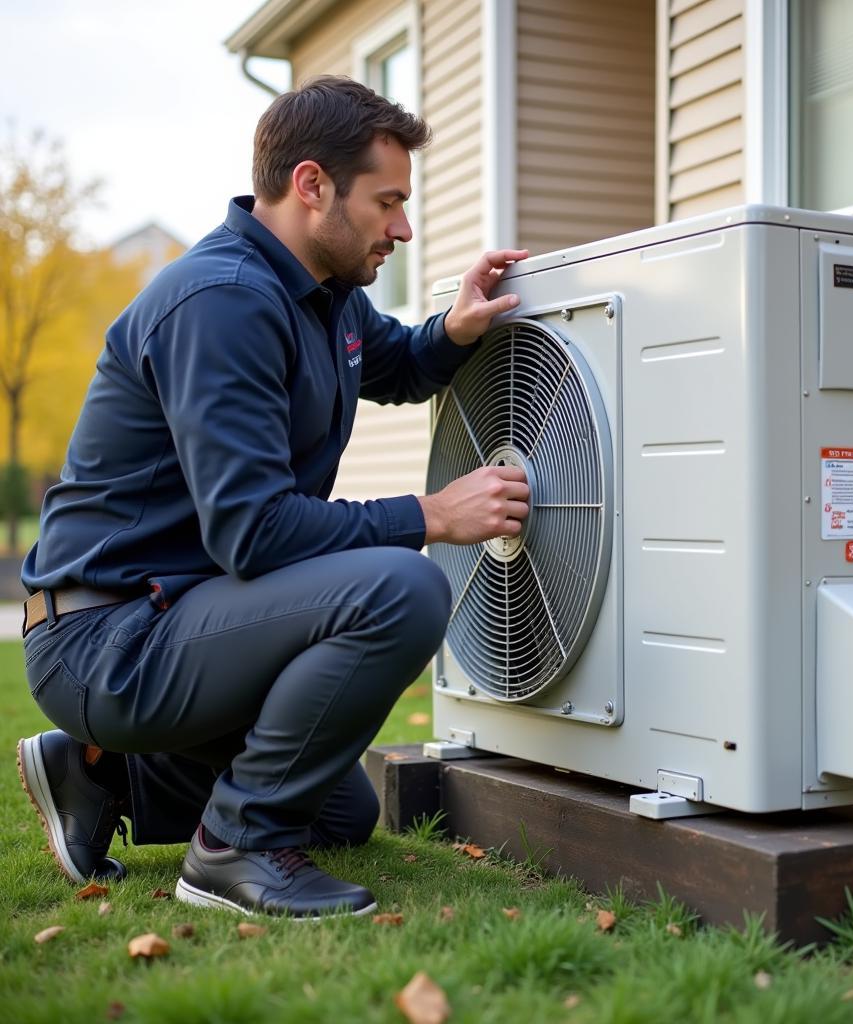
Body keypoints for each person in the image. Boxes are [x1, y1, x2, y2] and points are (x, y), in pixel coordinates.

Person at [16, 76, 530, 919]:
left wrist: (455, 329)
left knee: (342, 811)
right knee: (403, 587)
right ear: (311, 185)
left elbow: (389, 360)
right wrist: (432, 516)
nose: (403, 227)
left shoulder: (322, 294)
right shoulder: (222, 303)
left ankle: (98, 768)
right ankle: (233, 850)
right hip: (105, 636)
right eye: (388, 201)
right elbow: (253, 534)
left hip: (178, 618)